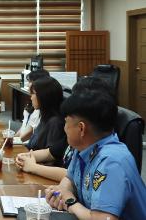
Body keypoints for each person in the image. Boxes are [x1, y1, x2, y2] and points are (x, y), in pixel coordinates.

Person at [45, 90, 146, 219]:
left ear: (81, 129)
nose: (64, 128)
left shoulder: (112, 162)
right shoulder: (84, 147)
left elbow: (103, 218)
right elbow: (70, 178)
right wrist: (60, 192)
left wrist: (70, 202)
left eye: (66, 122)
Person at [15, 77, 114, 181]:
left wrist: (33, 167)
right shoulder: (79, 145)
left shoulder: (109, 160)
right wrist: (24, 156)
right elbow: (51, 154)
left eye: (66, 122)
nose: (65, 128)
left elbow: (72, 176)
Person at [26, 77, 66, 157]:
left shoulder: (55, 122)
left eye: (33, 94)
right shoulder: (44, 117)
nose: (31, 97)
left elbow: (51, 159)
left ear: (44, 96)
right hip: (29, 160)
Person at [15, 69, 50, 142]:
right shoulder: (31, 101)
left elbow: (29, 133)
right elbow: (24, 126)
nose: (28, 84)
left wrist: (15, 140)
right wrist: (12, 138)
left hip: (28, 144)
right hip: (21, 140)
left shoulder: (40, 109)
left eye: (30, 81)